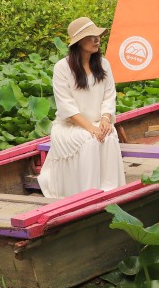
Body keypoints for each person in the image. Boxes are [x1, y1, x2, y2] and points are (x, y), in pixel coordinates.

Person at [37, 16, 125, 199]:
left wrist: (105, 120)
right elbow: (66, 106)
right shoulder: (62, 68)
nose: (96, 39)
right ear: (78, 42)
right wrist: (90, 128)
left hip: (98, 122)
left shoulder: (103, 64)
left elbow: (109, 96)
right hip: (70, 127)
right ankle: (87, 196)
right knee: (90, 140)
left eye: (97, 36)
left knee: (109, 137)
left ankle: (110, 192)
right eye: (90, 36)